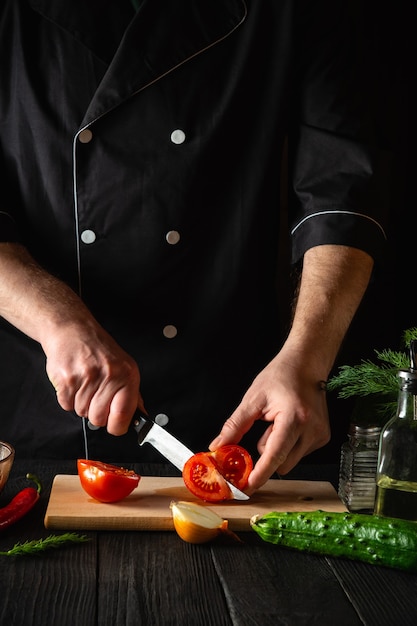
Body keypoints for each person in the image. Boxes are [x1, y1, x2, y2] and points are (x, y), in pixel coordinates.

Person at [0, 0, 389, 493]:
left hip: (235, 399)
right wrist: (58, 323)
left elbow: (342, 189)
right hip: (41, 407)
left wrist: (308, 361)